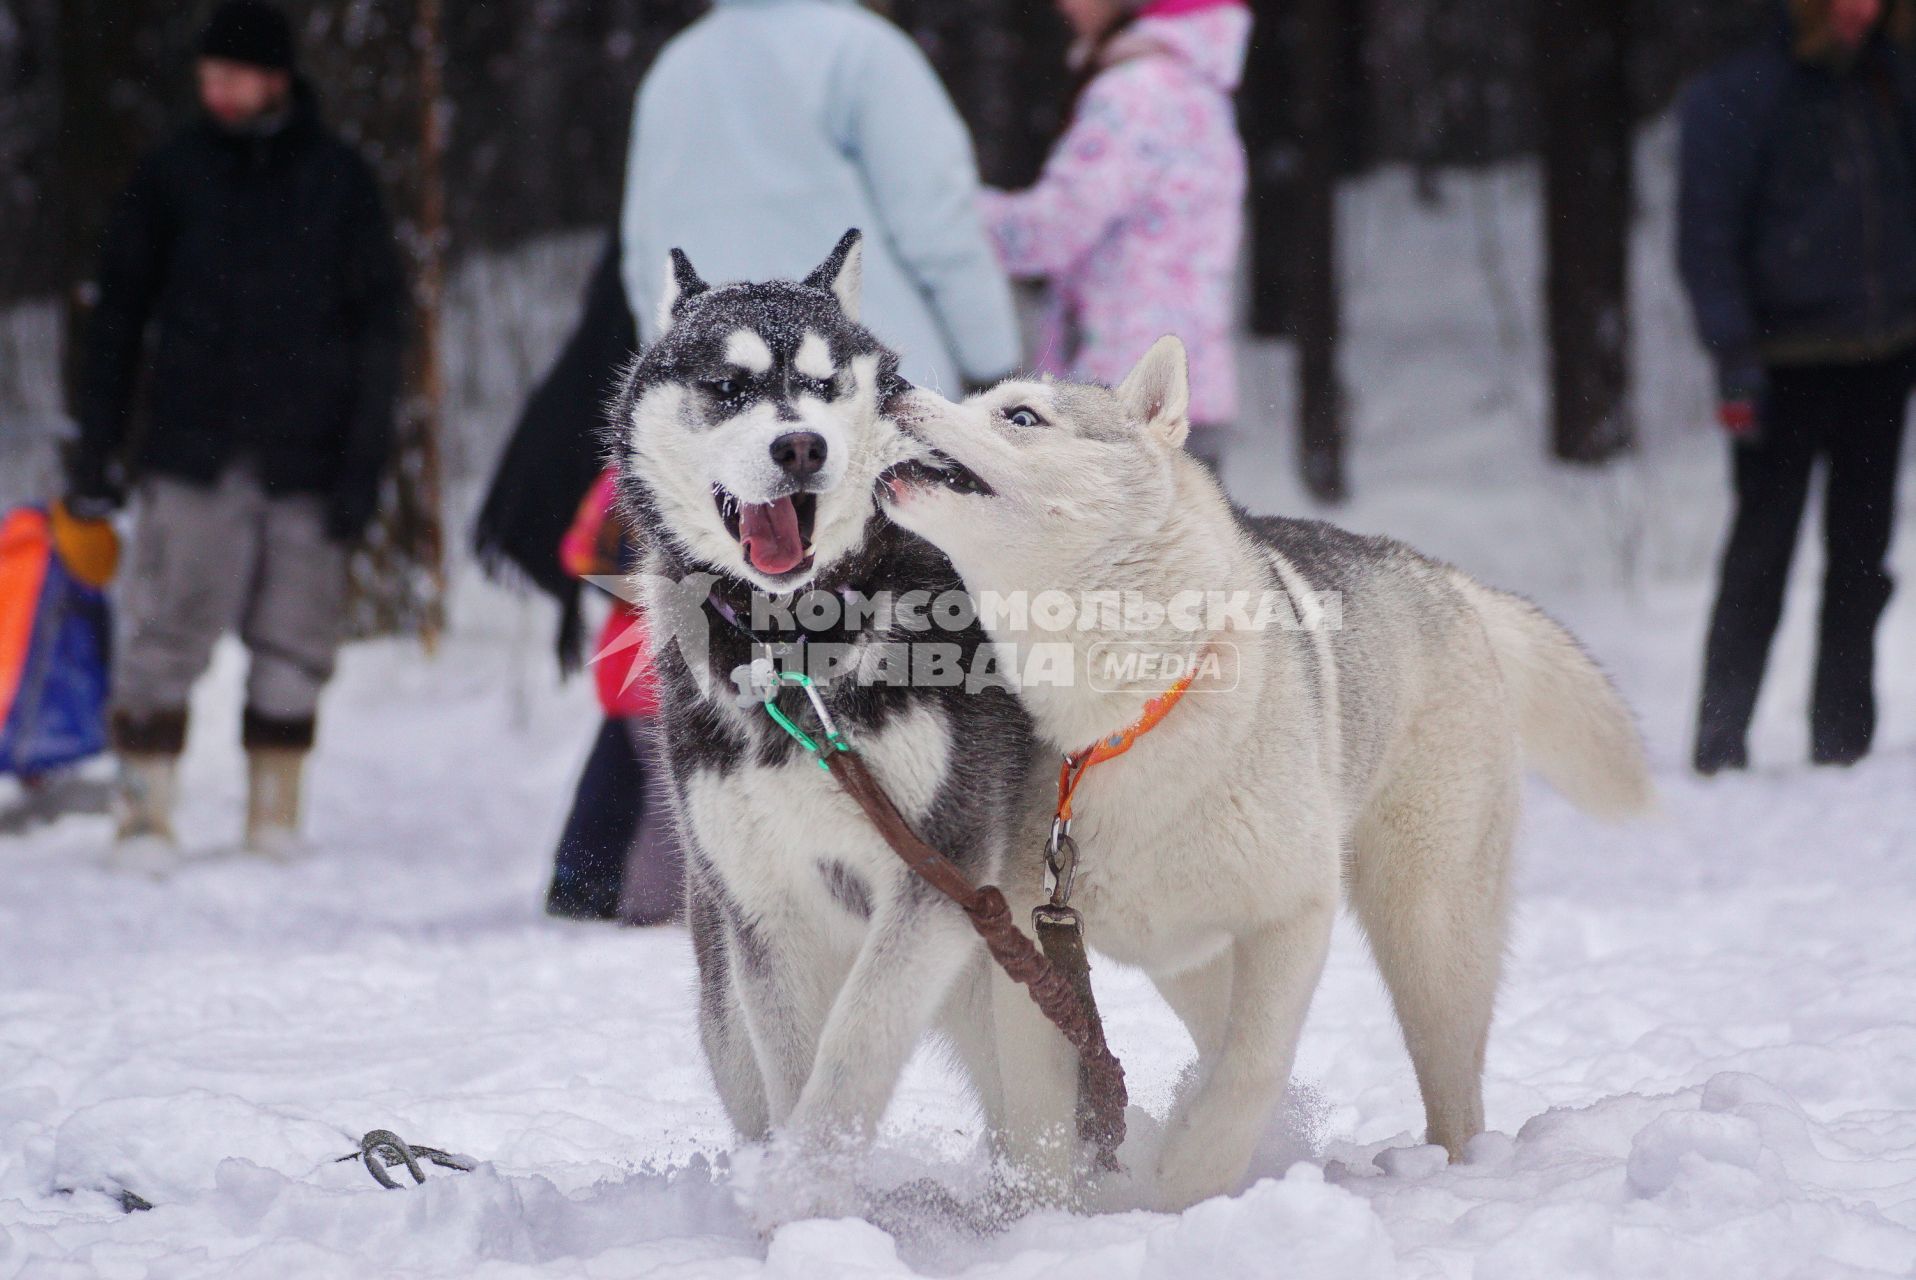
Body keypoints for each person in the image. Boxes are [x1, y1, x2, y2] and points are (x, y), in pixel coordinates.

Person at [64, 0, 405, 859]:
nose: (214, 87)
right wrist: (95, 451)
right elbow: (115, 323)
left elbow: (381, 333)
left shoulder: (341, 180)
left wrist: (365, 465)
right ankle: (144, 817)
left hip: (312, 458)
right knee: (163, 634)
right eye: (207, 73)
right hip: (191, 451)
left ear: (276, 78)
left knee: (299, 640)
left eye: (232, 72)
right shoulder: (171, 173)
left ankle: (275, 823)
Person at [1678, 0, 1916, 773]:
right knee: (1760, 557)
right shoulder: (1739, 96)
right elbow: (1706, 241)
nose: (1861, 12)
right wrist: (1736, 359)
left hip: (1881, 361)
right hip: (1782, 368)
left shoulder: (1889, 83)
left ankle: (1842, 743)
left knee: (1861, 557)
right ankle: (1719, 746)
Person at [619, 0, 1019, 395]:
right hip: (870, 396)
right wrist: (992, 363)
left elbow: (647, 256)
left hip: (722, 404)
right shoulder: (861, 49)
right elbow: (938, 223)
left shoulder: (673, 72)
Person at [980, 0, 1250, 472]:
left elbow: (1051, 231)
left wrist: (952, 212)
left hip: (1121, 400)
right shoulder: (1197, 89)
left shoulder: (1135, 93)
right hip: (1184, 393)